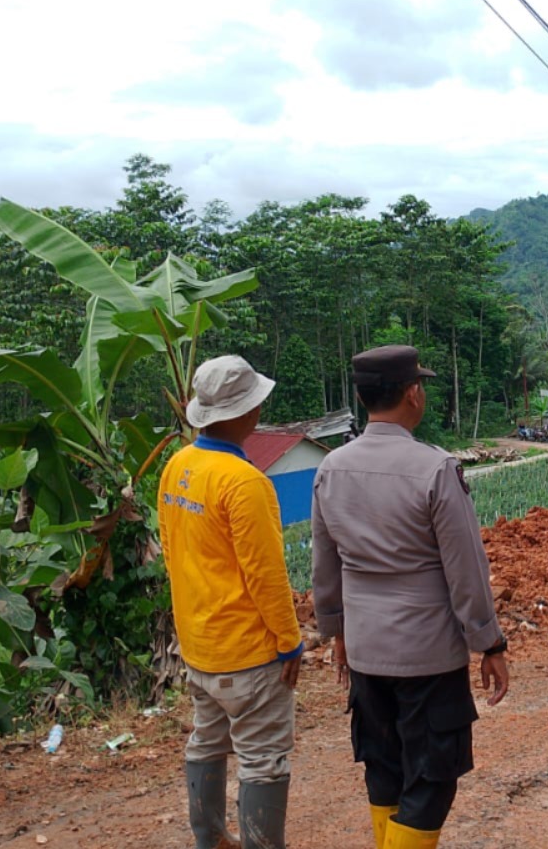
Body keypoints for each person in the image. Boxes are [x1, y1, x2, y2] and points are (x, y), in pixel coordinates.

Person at [311, 345, 510, 849]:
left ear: (361, 396)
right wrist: (489, 643)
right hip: (426, 656)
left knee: (384, 767)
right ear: (413, 393)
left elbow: (324, 566)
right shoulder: (435, 469)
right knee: (432, 777)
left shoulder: (330, 468)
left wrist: (337, 634)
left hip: (366, 650)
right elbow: (466, 571)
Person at [157, 356, 304, 849]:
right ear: (248, 413)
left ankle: (211, 839)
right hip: (249, 654)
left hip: (200, 648)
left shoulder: (177, 466)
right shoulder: (245, 483)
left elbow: (171, 551)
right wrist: (289, 642)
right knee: (262, 759)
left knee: (207, 740)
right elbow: (266, 575)